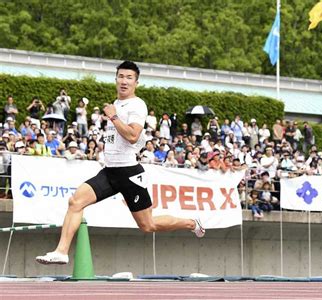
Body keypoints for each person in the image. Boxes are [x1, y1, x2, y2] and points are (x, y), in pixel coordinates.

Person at [36, 61, 205, 265]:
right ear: (115, 79)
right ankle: (61, 252)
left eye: (129, 78)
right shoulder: (115, 105)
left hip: (129, 173)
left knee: (148, 225)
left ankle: (191, 223)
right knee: (75, 202)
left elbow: (133, 136)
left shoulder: (136, 105)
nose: (124, 81)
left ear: (136, 82)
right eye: (121, 76)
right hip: (110, 172)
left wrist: (113, 117)